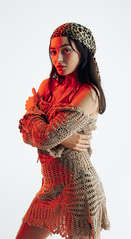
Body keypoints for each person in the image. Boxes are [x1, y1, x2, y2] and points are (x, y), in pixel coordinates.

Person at [16, 22, 111, 239]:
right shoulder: (46, 86)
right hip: (49, 187)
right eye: (53, 51)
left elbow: (46, 136)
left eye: (66, 50)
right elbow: (27, 134)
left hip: (79, 188)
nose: (58, 58)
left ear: (83, 52)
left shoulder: (89, 94)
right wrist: (64, 140)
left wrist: (33, 110)